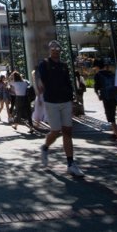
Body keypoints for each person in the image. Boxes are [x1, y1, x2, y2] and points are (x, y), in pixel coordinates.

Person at [39, 40, 84, 177]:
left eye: (57, 48)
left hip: (65, 101)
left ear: (60, 50)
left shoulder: (64, 65)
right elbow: (41, 79)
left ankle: (71, 163)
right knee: (56, 130)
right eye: (52, 48)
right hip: (51, 101)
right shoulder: (44, 64)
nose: (55, 50)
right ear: (49, 50)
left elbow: (68, 83)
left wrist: (72, 100)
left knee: (67, 131)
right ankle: (45, 147)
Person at [93, 59, 117, 140]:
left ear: (97, 67)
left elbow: (96, 88)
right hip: (115, 96)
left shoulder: (98, 75)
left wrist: (98, 95)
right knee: (113, 114)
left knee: (111, 117)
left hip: (107, 97)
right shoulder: (111, 73)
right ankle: (115, 133)